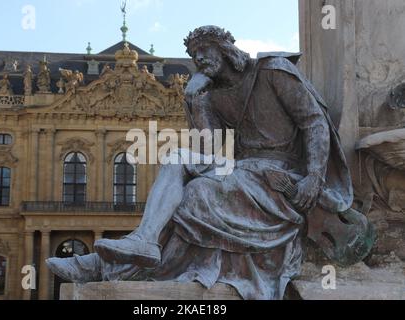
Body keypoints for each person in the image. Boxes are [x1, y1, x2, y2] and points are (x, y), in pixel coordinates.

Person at [47, 26, 354, 300]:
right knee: (179, 159)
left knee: (193, 195)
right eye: (194, 55)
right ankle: (142, 241)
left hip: (281, 178)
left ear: (226, 48)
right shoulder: (215, 93)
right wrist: (197, 100)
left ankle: (107, 264)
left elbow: (315, 122)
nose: (199, 60)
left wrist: (314, 177)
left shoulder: (273, 70)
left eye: (204, 50)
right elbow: (212, 149)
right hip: (245, 173)